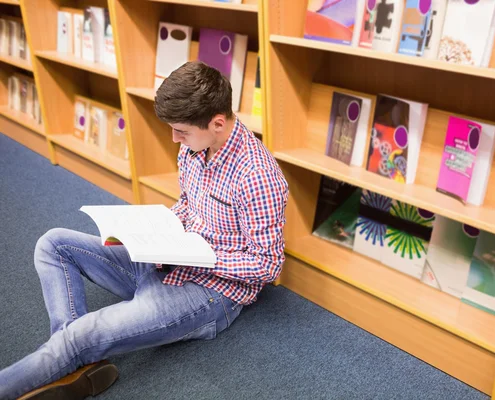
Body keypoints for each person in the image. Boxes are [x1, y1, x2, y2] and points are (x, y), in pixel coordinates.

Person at [0, 61, 289, 400]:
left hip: (209, 293)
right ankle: (77, 364)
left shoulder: (258, 177)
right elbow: (188, 204)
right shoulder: (194, 146)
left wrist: (201, 258)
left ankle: (67, 352)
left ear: (217, 123)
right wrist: (155, 230)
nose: (174, 138)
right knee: (53, 244)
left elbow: (267, 266)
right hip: (164, 259)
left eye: (180, 131)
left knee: (78, 336)